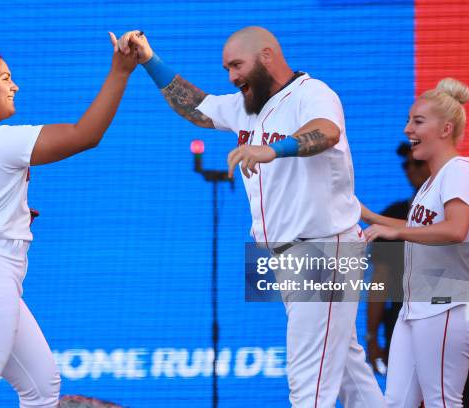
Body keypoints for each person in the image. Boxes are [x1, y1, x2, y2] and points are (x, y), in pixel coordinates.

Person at [115, 27, 384, 407]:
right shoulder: (248, 106)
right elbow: (198, 108)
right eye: (227, 68)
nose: (231, 76)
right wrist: (149, 60)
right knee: (347, 373)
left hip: (323, 251)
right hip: (295, 254)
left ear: (267, 55)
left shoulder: (312, 93)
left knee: (309, 385)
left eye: (237, 65)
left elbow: (325, 131)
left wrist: (273, 151)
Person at [0, 34, 137, 407]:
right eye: (5, 78)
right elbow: (86, 135)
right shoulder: (0, 141)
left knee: (41, 384)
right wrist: (120, 71)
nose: (14, 85)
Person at [361, 78, 469, 407]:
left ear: (445, 129)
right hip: (415, 308)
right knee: (397, 402)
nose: (406, 129)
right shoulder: (433, 181)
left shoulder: (459, 170)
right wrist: (369, 215)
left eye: (417, 121)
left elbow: (455, 230)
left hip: (447, 304)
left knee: (442, 401)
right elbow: (416, 226)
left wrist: (396, 232)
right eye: (408, 120)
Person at [365, 143, 429, 374]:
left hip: (451, 318)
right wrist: (371, 336)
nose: (411, 169)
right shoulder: (392, 214)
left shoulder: (458, 213)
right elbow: (379, 281)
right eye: (406, 165)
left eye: (418, 162)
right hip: (403, 319)